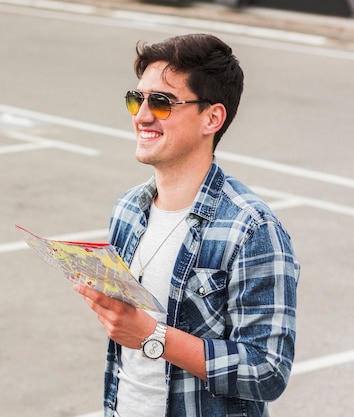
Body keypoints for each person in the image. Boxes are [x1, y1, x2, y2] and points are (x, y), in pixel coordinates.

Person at [73, 33, 300, 417]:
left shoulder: (251, 229)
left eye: (161, 102)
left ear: (212, 118)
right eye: (137, 98)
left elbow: (267, 371)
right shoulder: (128, 209)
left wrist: (152, 336)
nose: (142, 115)